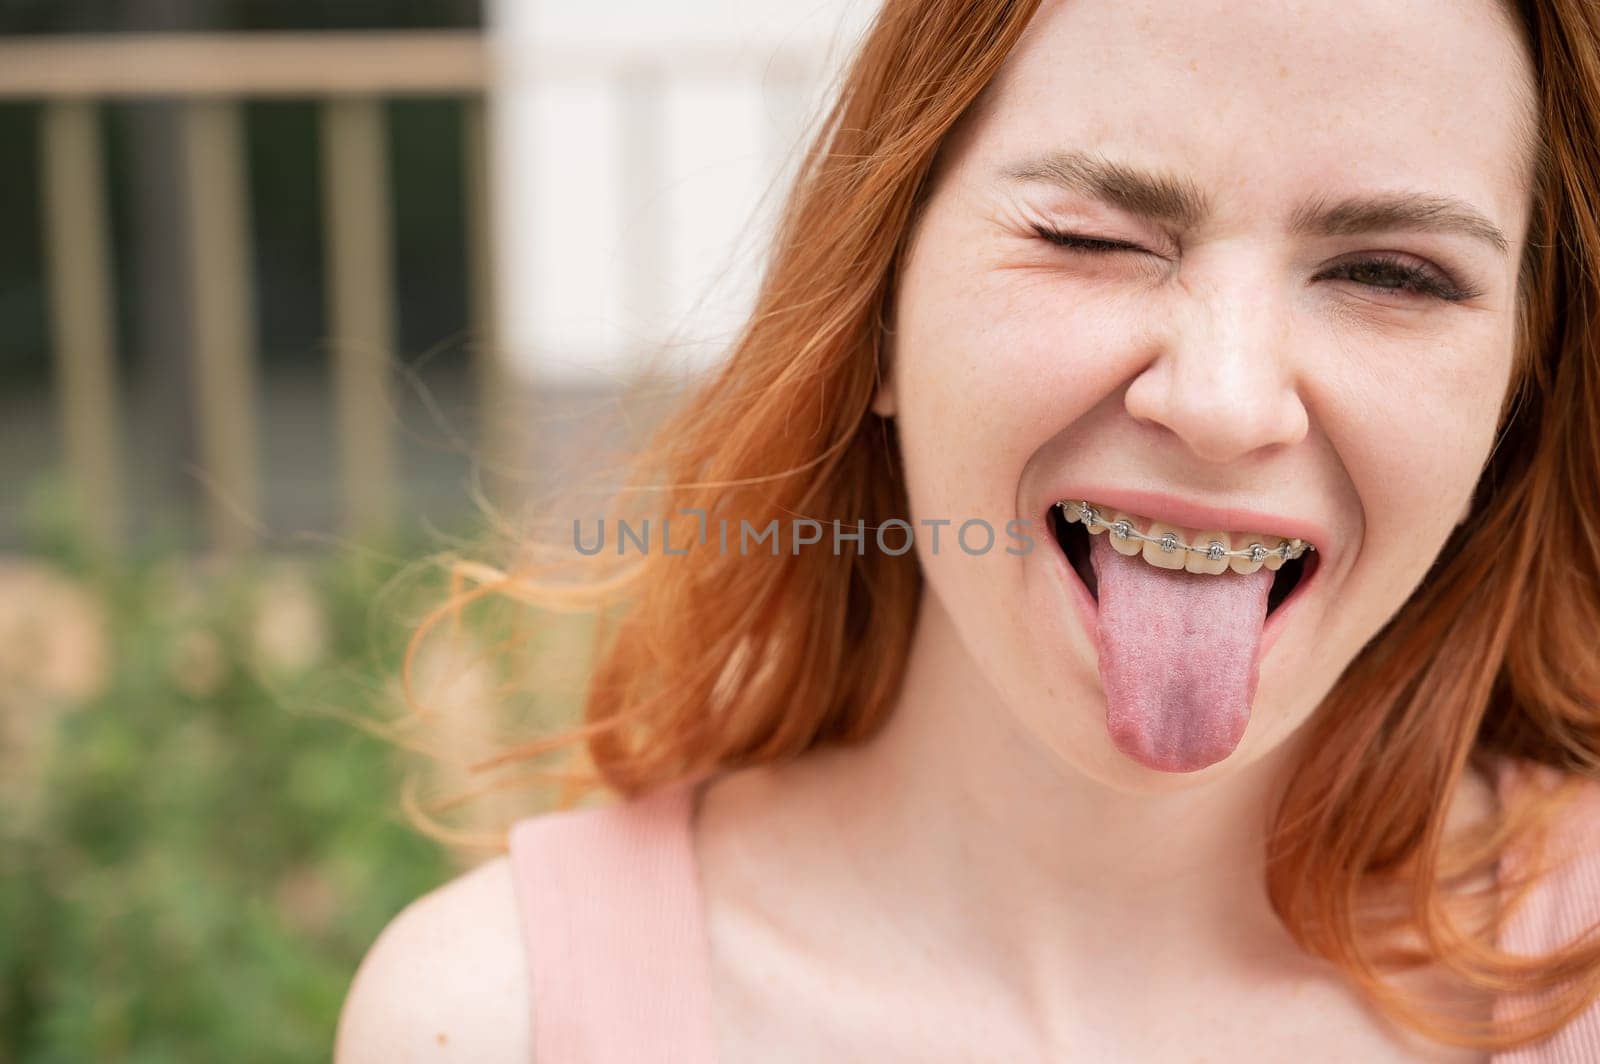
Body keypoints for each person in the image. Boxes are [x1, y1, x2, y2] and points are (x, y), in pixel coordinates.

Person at [334, 0, 1600, 1059]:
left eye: (1392, 274)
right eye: (1090, 238)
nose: (1222, 402)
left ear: (1517, 380)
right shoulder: (495, 1017)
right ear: (878, 307)